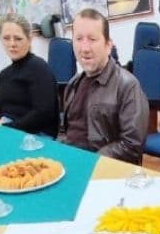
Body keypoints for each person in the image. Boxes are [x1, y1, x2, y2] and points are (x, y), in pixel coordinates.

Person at [62, 9, 148, 164]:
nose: (85, 48)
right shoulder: (72, 84)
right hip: (70, 164)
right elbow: (64, 132)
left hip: (104, 171)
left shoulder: (128, 86)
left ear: (108, 45)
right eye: (79, 39)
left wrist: (91, 161)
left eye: (92, 39)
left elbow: (132, 145)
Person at [0, 14, 59, 137]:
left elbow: (43, 114)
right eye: (6, 38)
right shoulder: (3, 75)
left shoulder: (39, 69)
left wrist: (7, 128)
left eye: (18, 38)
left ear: (29, 39)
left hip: (35, 136)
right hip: (7, 131)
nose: (12, 44)